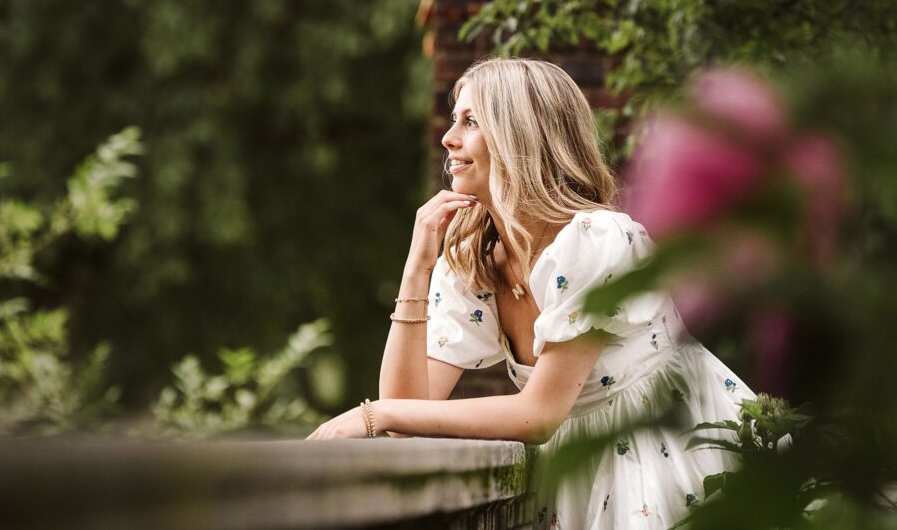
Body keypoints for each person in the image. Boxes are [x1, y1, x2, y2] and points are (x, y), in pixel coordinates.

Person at [308, 58, 755, 528]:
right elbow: (408, 414)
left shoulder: (597, 239)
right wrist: (416, 269)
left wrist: (373, 414)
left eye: (470, 121)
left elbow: (539, 413)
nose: (448, 138)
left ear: (519, 136)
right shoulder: (473, 262)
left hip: (667, 459)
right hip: (582, 476)